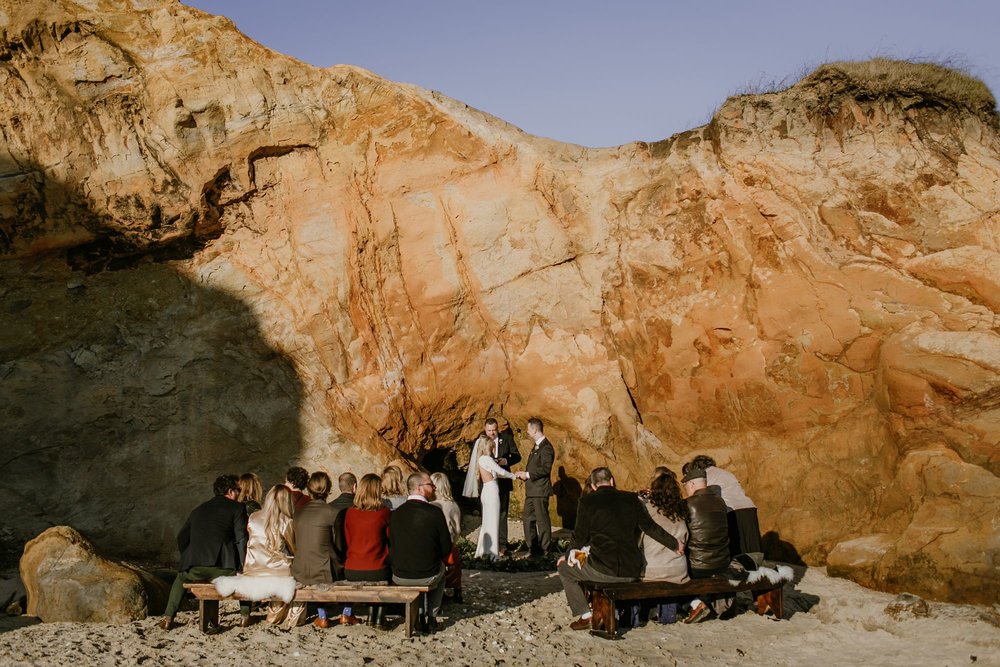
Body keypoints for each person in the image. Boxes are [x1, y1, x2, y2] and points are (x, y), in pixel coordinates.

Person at [557, 467, 683, 630]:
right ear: (612, 481)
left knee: (565, 570)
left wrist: (567, 556)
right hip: (632, 570)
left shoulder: (587, 502)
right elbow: (650, 527)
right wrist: (674, 544)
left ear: (594, 486)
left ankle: (586, 615)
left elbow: (579, 536)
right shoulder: (631, 499)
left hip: (604, 570)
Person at [159, 474, 248, 631]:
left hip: (195, 568)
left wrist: (189, 556)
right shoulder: (237, 508)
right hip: (224, 568)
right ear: (230, 491)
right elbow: (241, 539)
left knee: (180, 578)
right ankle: (244, 617)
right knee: (246, 578)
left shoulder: (198, 509)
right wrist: (242, 566)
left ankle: (168, 618)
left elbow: (181, 537)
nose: (240, 493)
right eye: (238, 489)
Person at [225, 485, 304, 629]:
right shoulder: (286, 521)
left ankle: (274, 618)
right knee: (299, 579)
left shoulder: (254, 517)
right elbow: (294, 550)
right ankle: (292, 619)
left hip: (252, 570)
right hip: (276, 571)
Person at [389, 472, 452, 634]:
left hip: (399, 574)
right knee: (442, 571)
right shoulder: (435, 513)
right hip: (427, 573)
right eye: (430, 484)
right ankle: (431, 618)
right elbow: (446, 548)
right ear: (419, 488)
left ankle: (419, 615)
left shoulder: (395, 514)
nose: (433, 487)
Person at [335, 473, 392, 629]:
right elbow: (390, 540)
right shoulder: (384, 512)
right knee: (386, 568)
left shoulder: (350, 513)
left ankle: (372, 616)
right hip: (377, 569)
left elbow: (347, 539)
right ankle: (378, 617)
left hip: (352, 569)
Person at [683, 455, 762, 564]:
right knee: (753, 550)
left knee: (737, 551)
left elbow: (702, 499)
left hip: (732, 512)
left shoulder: (705, 476)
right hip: (749, 508)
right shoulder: (724, 473)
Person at [289, 471, 339, 628]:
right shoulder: (332, 512)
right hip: (323, 571)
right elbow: (337, 543)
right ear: (329, 490)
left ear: (309, 490)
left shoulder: (298, 513)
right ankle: (342, 613)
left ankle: (322, 615)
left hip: (299, 569)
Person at [681, 466, 731, 623]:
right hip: (722, 563)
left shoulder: (687, 504)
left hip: (698, 566)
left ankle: (695, 603)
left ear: (692, 484)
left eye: (686, 485)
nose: (686, 489)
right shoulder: (721, 502)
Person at [640, 470, 690, 625]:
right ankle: (668, 617)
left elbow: (638, 539)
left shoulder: (646, 508)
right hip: (678, 571)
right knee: (669, 574)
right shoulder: (681, 511)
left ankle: (642, 615)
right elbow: (686, 538)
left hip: (651, 571)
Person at [462, 434, 517, 560]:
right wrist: (514, 476)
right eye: (492, 446)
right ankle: (493, 553)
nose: (494, 448)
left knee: (487, 521)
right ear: (488, 446)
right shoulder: (487, 459)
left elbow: (498, 474)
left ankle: (483, 550)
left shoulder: (481, 459)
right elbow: (501, 471)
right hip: (492, 490)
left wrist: (511, 475)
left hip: (486, 490)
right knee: (493, 521)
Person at [514, 417, 554, 556]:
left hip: (540, 490)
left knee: (542, 520)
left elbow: (546, 469)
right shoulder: (536, 446)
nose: (527, 432)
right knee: (527, 518)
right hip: (532, 490)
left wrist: (528, 474)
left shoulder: (546, 447)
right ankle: (533, 547)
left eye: (529, 429)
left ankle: (545, 550)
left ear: (535, 429)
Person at [483, 417, 521, 552]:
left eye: (494, 430)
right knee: (488, 511)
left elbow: (517, 456)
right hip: (487, 482)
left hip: (503, 481)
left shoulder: (506, 438)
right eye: (489, 430)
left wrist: (505, 461)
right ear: (485, 429)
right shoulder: (481, 441)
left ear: (497, 429)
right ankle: (489, 542)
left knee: (503, 512)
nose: (492, 433)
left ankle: (503, 544)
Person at [431, 472, 463, 603]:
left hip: (438, 545)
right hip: (451, 544)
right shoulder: (454, 505)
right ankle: (457, 591)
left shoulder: (433, 506)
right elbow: (457, 528)